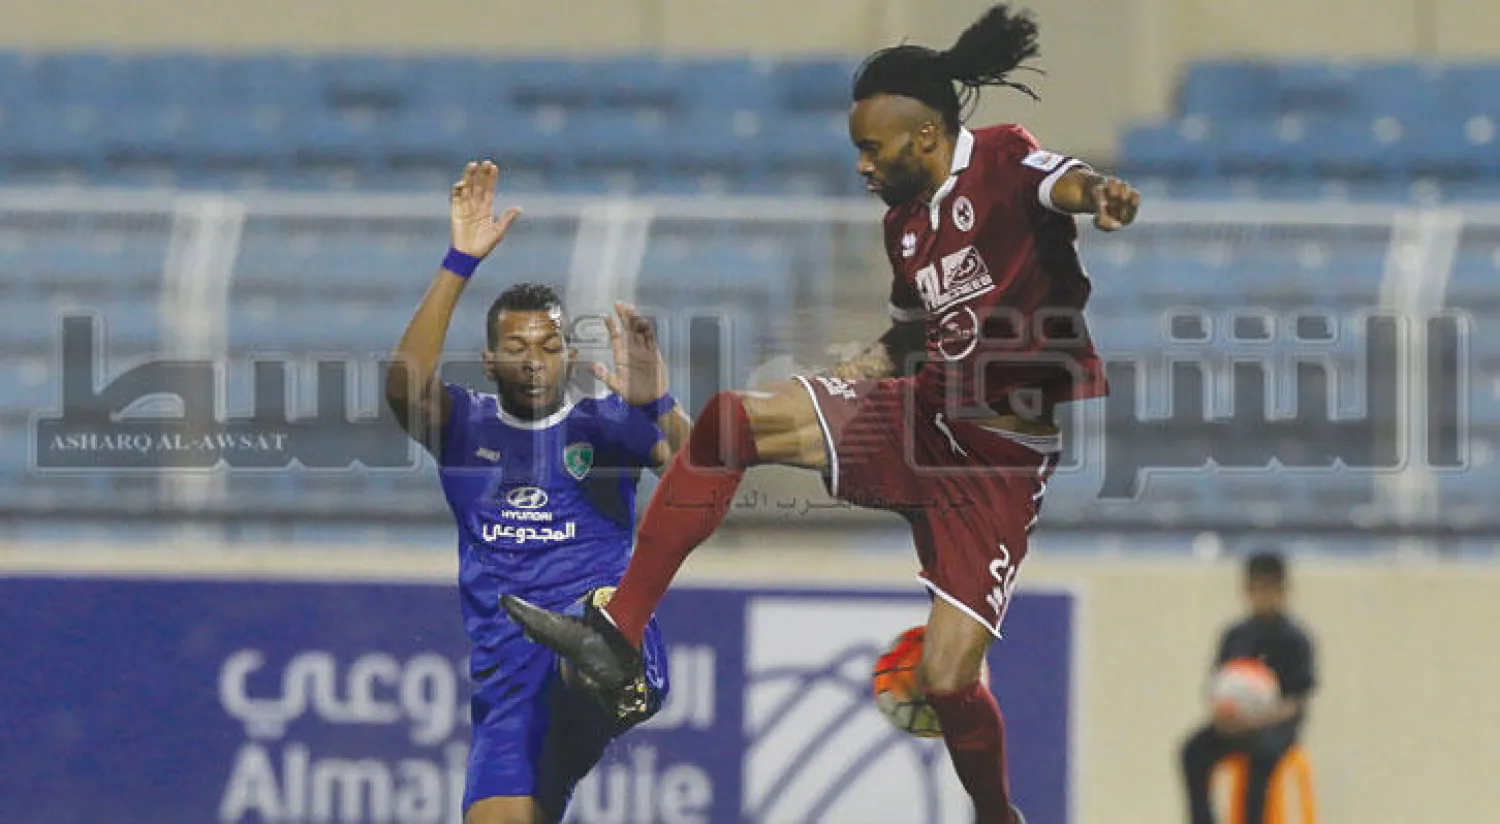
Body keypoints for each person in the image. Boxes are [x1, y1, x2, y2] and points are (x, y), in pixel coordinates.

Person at [502, 5, 1141, 823]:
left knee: (948, 680)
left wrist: (1103, 195)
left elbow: (1065, 182)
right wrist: (866, 366)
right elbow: (919, 328)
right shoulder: (904, 228)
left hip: (998, 467)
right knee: (732, 422)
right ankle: (617, 631)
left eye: (872, 149)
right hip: (923, 419)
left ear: (926, 137)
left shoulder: (1005, 158)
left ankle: (997, 816)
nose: (863, 166)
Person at [384, 160, 693, 824]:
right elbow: (402, 388)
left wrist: (661, 403)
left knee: (596, 641)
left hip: (609, 647)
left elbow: (707, 479)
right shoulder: (465, 428)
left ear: (569, 357)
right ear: (491, 360)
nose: (533, 358)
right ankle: (593, 663)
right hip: (508, 690)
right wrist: (459, 262)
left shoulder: (603, 425)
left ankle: (602, 659)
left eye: (549, 344)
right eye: (516, 346)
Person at [1180, 550, 1317, 824]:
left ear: (1283, 590)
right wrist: (1225, 716)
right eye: (1255, 588)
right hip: (1235, 723)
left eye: (1269, 588)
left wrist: (1258, 719)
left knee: (1261, 757)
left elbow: (1296, 702)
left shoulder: (1296, 639)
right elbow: (1218, 686)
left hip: (1275, 727)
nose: (1262, 596)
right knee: (1192, 750)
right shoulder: (1235, 636)